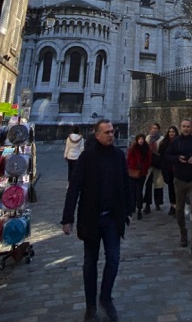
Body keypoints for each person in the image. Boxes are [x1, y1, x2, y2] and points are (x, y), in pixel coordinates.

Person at [62, 119, 133, 321]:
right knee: (89, 264)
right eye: (107, 132)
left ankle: (106, 297)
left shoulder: (119, 156)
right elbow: (74, 187)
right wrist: (67, 218)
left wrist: (129, 209)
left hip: (112, 219)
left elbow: (126, 183)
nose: (111, 135)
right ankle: (90, 304)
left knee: (113, 259)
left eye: (113, 131)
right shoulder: (87, 157)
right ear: (97, 135)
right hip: (91, 218)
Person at [165, 118, 192, 256]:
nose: (186, 129)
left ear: (191, 128)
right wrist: (177, 158)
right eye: (183, 126)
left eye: (188, 126)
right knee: (179, 209)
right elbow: (167, 156)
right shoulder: (175, 142)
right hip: (179, 180)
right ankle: (183, 233)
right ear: (181, 127)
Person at [126, 133, 151, 220]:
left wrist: (143, 167)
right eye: (139, 139)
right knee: (133, 191)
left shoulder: (146, 148)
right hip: (133, 172)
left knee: (139, 191)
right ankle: (132, 206)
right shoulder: (133, 148)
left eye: (142, 139)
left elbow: (148, 160)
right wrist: (133, 166)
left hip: (142, 173)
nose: (141, 140)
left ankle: (139, 208)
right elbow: (128, 159)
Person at [143, 122, 164, 214]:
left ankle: (158, 203)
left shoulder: (161, 139)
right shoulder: (147, 138)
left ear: (158, 129)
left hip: (158, 164)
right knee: (148, 185)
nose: (154, 130)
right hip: (149, 165)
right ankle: (147, 204)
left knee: (158, 185)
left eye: (156, 128)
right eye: (152, 128)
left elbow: (163, 152)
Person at [158, 125, 179, 215]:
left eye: (173, 132)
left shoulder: (179, 142)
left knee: (178, 188)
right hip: (168, 169)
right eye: (170, 132)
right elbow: (162, 156)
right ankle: (172, 205)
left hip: (178, 169)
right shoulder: (164, 143)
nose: (171, 133)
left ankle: (178, 206)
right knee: (171, 188)